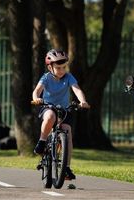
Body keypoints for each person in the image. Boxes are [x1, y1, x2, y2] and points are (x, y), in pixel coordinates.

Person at [32, 49, 90, 180]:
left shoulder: (69, 77)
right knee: (50, 117)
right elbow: (37, 90)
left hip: (64, 110)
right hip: (48, 107)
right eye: (58, 68)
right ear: (50, 67)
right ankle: (41, 142)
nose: (62, 70)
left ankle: (66, 168)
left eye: (64, 67)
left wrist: (83, 101)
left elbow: (77, 89)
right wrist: (36, 98)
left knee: (67, 132)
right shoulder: (46, 77)